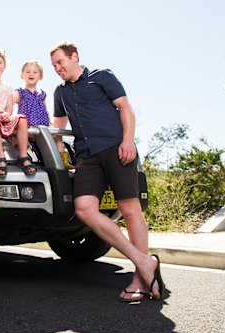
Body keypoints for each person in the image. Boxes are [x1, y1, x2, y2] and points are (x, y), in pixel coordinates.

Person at [50, 41, 164, 302]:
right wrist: (59, 149)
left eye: (60, 62)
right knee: (84, 209)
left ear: (74, 57)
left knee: (130, 209)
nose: (58, 68)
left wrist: (128, 140)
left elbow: (125, 107)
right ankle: (144, 261)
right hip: (87, 158)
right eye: (54, 65)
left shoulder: (102, 77)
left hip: (115, 148)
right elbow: (58, 125)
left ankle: (139, 278)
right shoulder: (60, 92)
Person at [0, 48, 36, 176]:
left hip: (4, 117)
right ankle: (1, 158)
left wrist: (7, 114)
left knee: (22, 119)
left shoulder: (8, 86)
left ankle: (23, 155)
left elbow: (10, 106)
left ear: (4, 66)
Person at [13, 60, 50, 127]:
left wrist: (50, 123)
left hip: (43, 127)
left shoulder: (42, 94)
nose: (31, 74)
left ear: (41, 76)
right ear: (22, 75)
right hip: (26, 127)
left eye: (35, 72)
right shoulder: (20, 92)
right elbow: (9, 104)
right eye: (28, 72)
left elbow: (45, 110)